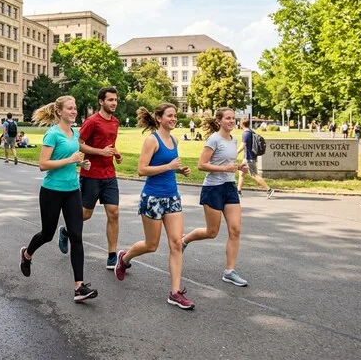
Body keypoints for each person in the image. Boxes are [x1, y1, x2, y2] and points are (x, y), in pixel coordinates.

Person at [18, 95, 98, 302]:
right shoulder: (52, 134)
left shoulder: (75, 133)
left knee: (76, 236)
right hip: (52, 191)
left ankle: (79, 287)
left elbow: (70, 160)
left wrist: (80, 165)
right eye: (70, 108)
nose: (74, 111)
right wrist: (70, 159)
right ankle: (27, 254)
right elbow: (43, 164)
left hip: (72, 190)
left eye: (75, 108)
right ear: (60, 111)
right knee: (47, 234)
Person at [114, 104, 194, 309]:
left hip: (172, 198)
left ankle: (175, 292)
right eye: (170, 115)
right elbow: (142, 169)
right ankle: (125, 258)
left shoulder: (174, 139)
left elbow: (168, 167)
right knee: (152, 245)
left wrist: (178, 171)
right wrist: (169, 166)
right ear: (159, 118)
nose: (174, 119)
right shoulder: (152, 140)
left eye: (175, 115)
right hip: (153, 198)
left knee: (176, 243)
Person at [181, 107, 250, 287]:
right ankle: (184, 240)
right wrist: (224, 169)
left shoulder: (233, 139)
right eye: (228, 118)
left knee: (235, 230)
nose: (232, 121)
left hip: (229, 187)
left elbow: (229, 163)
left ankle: (229, 271)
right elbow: (201, 165)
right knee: (212, 232)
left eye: (233, 118)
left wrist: (239, 167)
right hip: (213, 188)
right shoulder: (213, 139)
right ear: (219, 121)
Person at [72, 87, 122, 269]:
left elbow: (110, 145)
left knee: (114, 213)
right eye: (110, 100)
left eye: (115, 99)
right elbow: (78, 144)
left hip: (109, 174)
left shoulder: (115, 122)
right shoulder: (91, 121)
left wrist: (116, 154)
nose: (114, 103)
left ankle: (112, 255)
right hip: (91, 174)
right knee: (85, 214)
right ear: (101, 101)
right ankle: (67, 232)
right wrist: (101, 152)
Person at [237, 118, 275, 198]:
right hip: (248, 157)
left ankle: (269, 190)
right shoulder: (251, 132)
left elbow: (243, 146)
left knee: (254, 175)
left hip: (249, 158)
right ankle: (238, 191)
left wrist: (235, 153)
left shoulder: (246, 133)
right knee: (241, 173)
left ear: (241, 124)